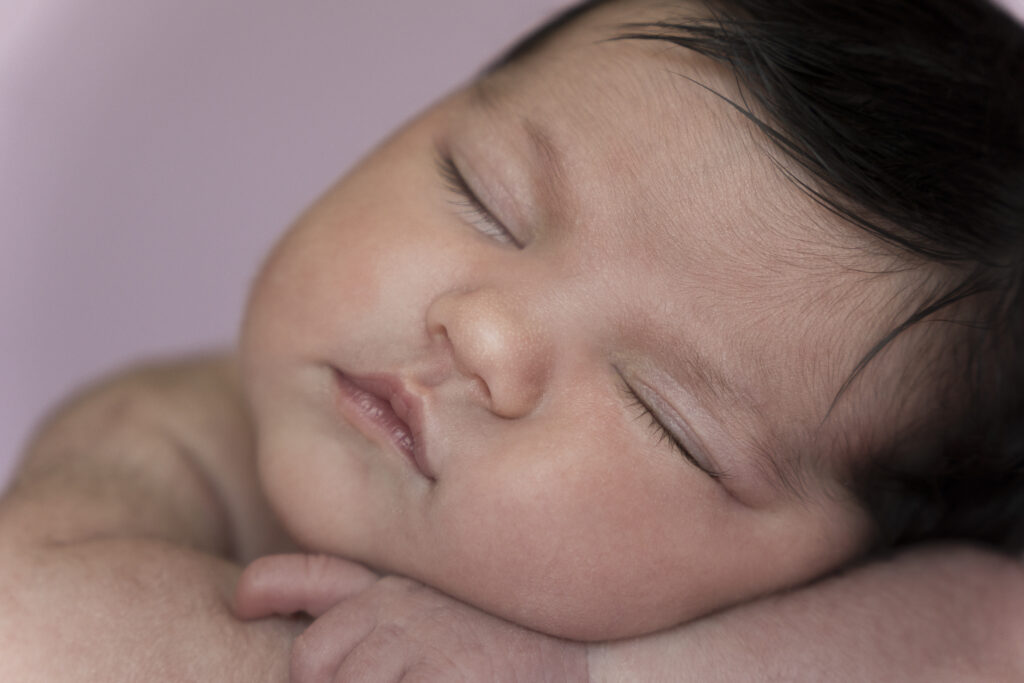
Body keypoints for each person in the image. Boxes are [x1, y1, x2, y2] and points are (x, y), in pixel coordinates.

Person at [2, 0, 1023, 680]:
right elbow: (34, 627)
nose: (485, 332)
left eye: (661, 412)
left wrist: (595, 674)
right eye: (484, 196)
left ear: (840, 575)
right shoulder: (160, 433)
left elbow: (994, 622)